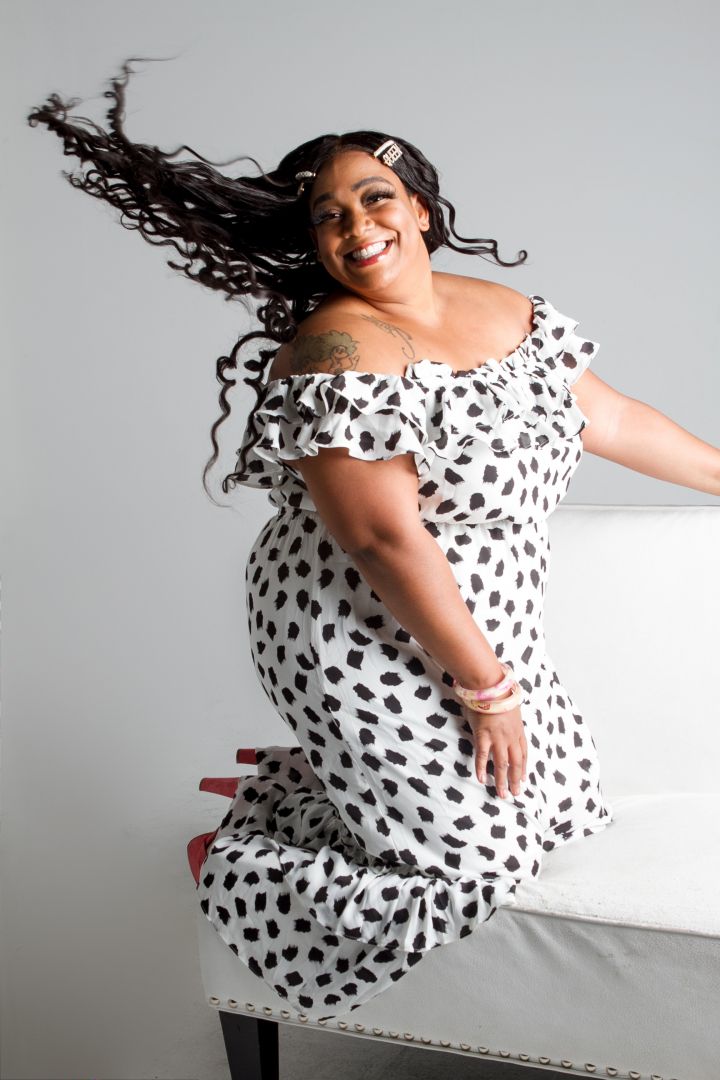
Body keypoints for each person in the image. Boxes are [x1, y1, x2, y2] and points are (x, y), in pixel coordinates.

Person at [28, 59, 720, 1023]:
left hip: (481, 617)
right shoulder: (337, 351)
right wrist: (488, 693)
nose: (356, 227)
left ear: (421, 209)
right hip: (353, 626)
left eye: (375, 198)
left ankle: (317, 791)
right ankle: (248, 859)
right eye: (328, 216)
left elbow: (613, 418)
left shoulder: (504, 311)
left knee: (562, 813)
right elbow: (386, 540)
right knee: (470, 863)